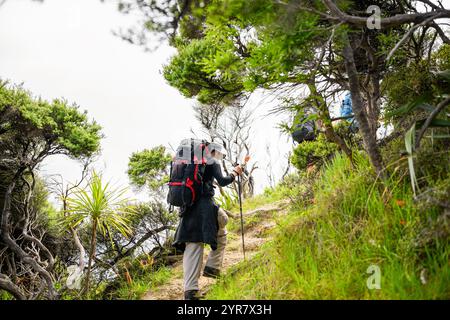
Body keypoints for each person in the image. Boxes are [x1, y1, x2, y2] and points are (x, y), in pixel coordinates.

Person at [172, 142, 243, 300]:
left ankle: (190, 291)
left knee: (193, 245)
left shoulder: (189, 161)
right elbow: (223, 181)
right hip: (205, 207)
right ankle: (212, 267)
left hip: (187, 208)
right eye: (219, 153)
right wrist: (235, 173)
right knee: (222, 225)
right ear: (213, 151)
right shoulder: (211, 161)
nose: (220, 156)